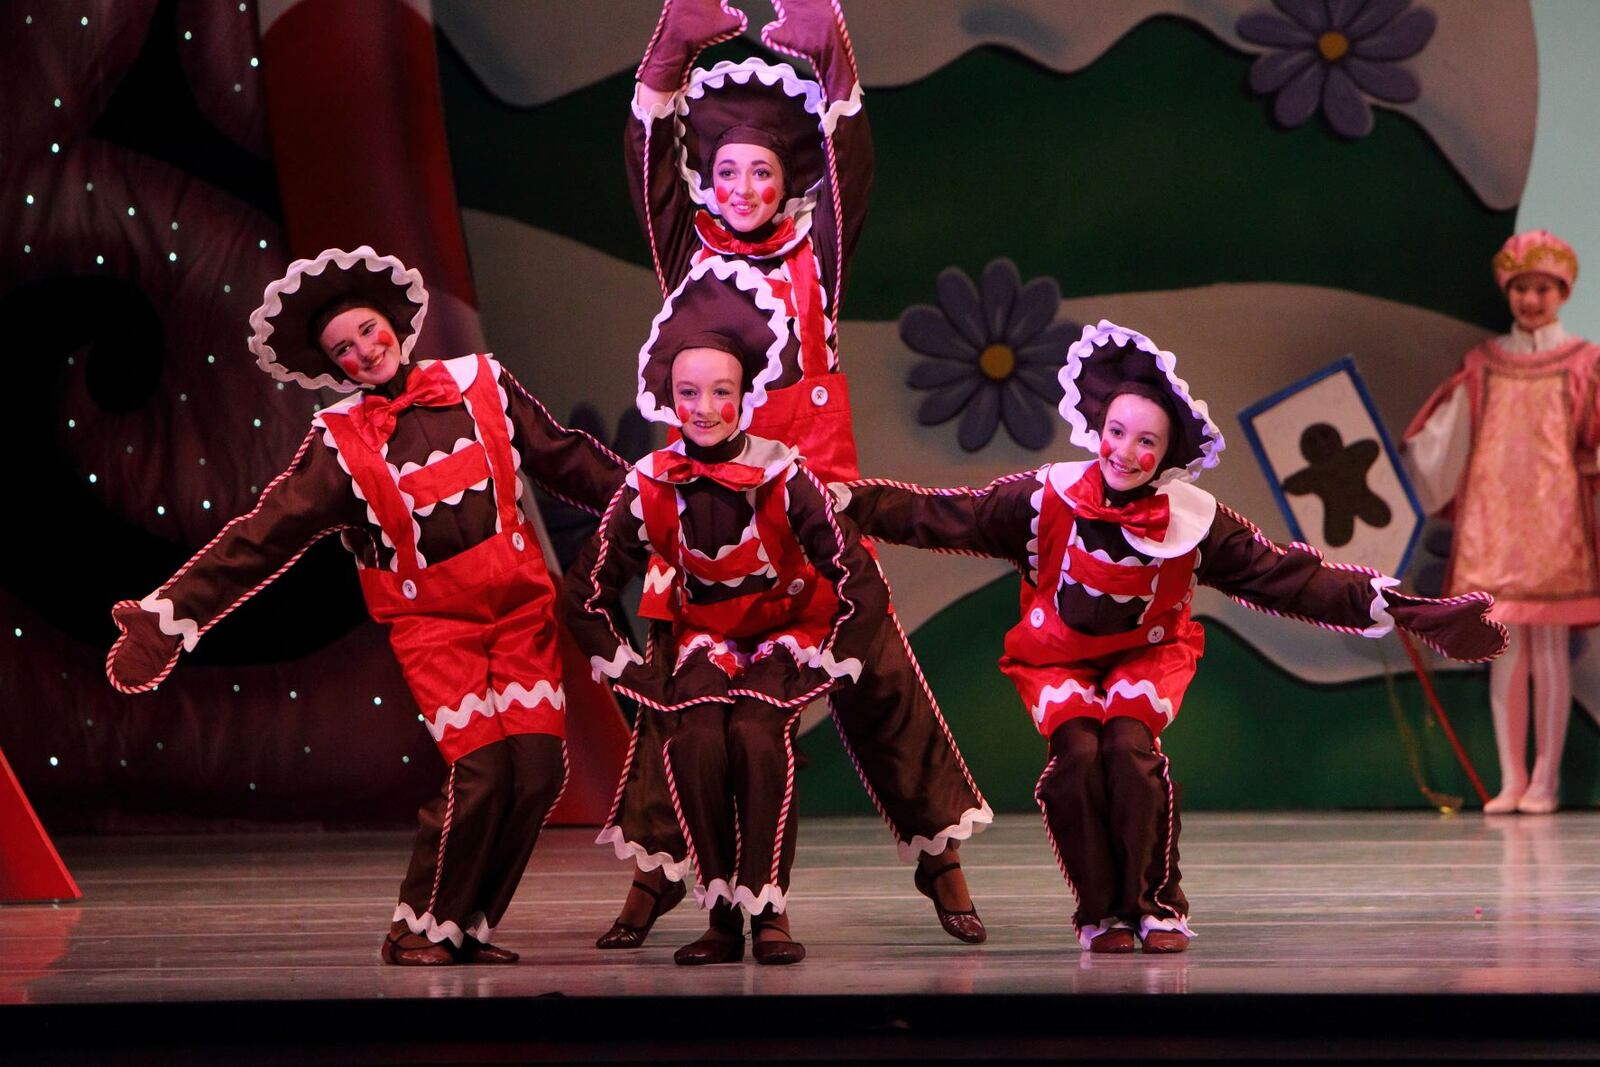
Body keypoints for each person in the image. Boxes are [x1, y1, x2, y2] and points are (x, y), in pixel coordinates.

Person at [836, 320, 1509, 952]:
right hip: (1060, 656)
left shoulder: (1194, 519)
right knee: (1076, 764)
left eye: (1146, 441)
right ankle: (1101, 913)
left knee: (1128, 751)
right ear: (1097, 428)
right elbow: (946, 515)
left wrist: (1401, 606)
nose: (1126, 451)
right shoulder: (1047, 497)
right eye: (1117, 432)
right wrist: (852, 502)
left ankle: (1155, 902)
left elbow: (1286, 576)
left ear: (1167, 453)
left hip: (1145, 654)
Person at [106, 247, 629, 965]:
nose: (361, 352)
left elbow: (569, 458)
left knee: (538, 770)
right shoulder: (340, 445)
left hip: (517, 612)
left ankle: (467, 922)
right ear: (332, 366)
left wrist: (660, 502)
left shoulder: (483, 384)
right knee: (482, 772)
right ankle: (416, 925)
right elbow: (261, 537)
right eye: (341, 350)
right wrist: (170, 617)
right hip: (434, 627)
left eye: (366, 331)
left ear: (395, 323)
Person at [601, 0, 989, 947]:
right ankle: (654, 887)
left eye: (760, 170)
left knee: (877, 672)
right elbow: (649, 164)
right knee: (685, 692)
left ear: (785, 181)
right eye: (726, 168)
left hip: (813, 498)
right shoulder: (690, 255)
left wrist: (836, 63)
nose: (739, 185)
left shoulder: (816, 257)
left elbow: (849, 168)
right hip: (708, 515)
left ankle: (944, 867)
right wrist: (668, 53)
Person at [564, 259, 895, 965]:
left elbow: (854, 572)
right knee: (694, 741)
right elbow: (585, 590)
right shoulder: (649, 480)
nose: (704, 406)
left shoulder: (783, 469)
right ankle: (719, 912)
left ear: (745, 397)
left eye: (720, 391)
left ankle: (767, 908)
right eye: (689, 392)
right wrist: (630, 671)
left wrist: (835, 657)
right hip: (701, 638)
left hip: (781, 634)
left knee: (755, 735)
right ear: (669, 397)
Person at [1403, 231, 1600, 815]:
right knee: (1505, 648)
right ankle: (1512, 778)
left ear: (1561, 291)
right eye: (1521, 289)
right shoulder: (1485, 365)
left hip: (1555, 526)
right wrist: (1414, 462)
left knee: (1548, 650)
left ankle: (1545, 780)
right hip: (1495, 525)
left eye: (1542, 288)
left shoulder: (1583, 364)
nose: (1531, 300)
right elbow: (1448, 437)